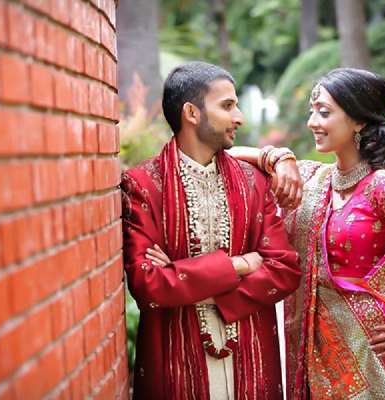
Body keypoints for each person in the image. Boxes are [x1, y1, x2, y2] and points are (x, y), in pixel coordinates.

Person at [228, 68, 385, 399]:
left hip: (377, 362)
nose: (312, 122)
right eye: (312, 111)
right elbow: (225, 158)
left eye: (325, 112)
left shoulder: (382, 186)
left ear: (359, 121)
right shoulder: (312, 179)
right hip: (321, 362)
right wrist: (279, 157)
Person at [120, 60, 302, 400]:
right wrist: (240, 265)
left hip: (251, 356)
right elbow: (147, 286)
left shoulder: (254, 182)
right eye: (227, 105)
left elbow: (286, 270)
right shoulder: (144, 186)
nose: (239, 118)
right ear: (192, 112)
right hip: (176, 361)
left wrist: (181, 276)